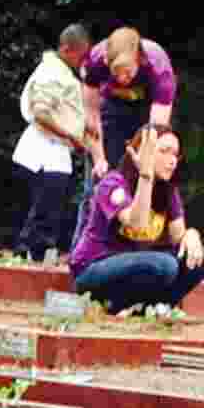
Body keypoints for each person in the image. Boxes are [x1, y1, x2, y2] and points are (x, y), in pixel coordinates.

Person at [69, 124, 204, 314]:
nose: (172, 160)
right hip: (93, 270)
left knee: (194, 258)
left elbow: (178, 238)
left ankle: (152, 307)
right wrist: (145, 176)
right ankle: (120, 304)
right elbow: (137, 223)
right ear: (141, 152)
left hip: (138, 269)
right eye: (164, 151)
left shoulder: (168, 191)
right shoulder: (113, 183)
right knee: (164, 265)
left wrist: (192, 235)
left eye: (176, 154)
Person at [73, 28, 176, 250]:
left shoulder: (159, 67)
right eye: (116, 73)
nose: (122, 78)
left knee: (141, 179)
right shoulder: (95, 61)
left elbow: (156, 131)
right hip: (111, 107)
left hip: (146, 110)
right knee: (99, 180)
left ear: (139, 59)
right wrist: (99, 158)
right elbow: (91, 115)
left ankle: (135, 251)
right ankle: (82, 250)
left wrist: (146, 169)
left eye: (127, 73)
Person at [11, 25, 91, 261]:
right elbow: (41, 113)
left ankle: (36, 252)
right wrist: (71, 136)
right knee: (42, 207)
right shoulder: (51, 72)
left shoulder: (62, 72)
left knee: (49, 207)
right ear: (67, 49)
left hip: (56, 148)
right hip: (44, 148)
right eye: (82, 55)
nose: (83, 61)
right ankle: (27, 252)